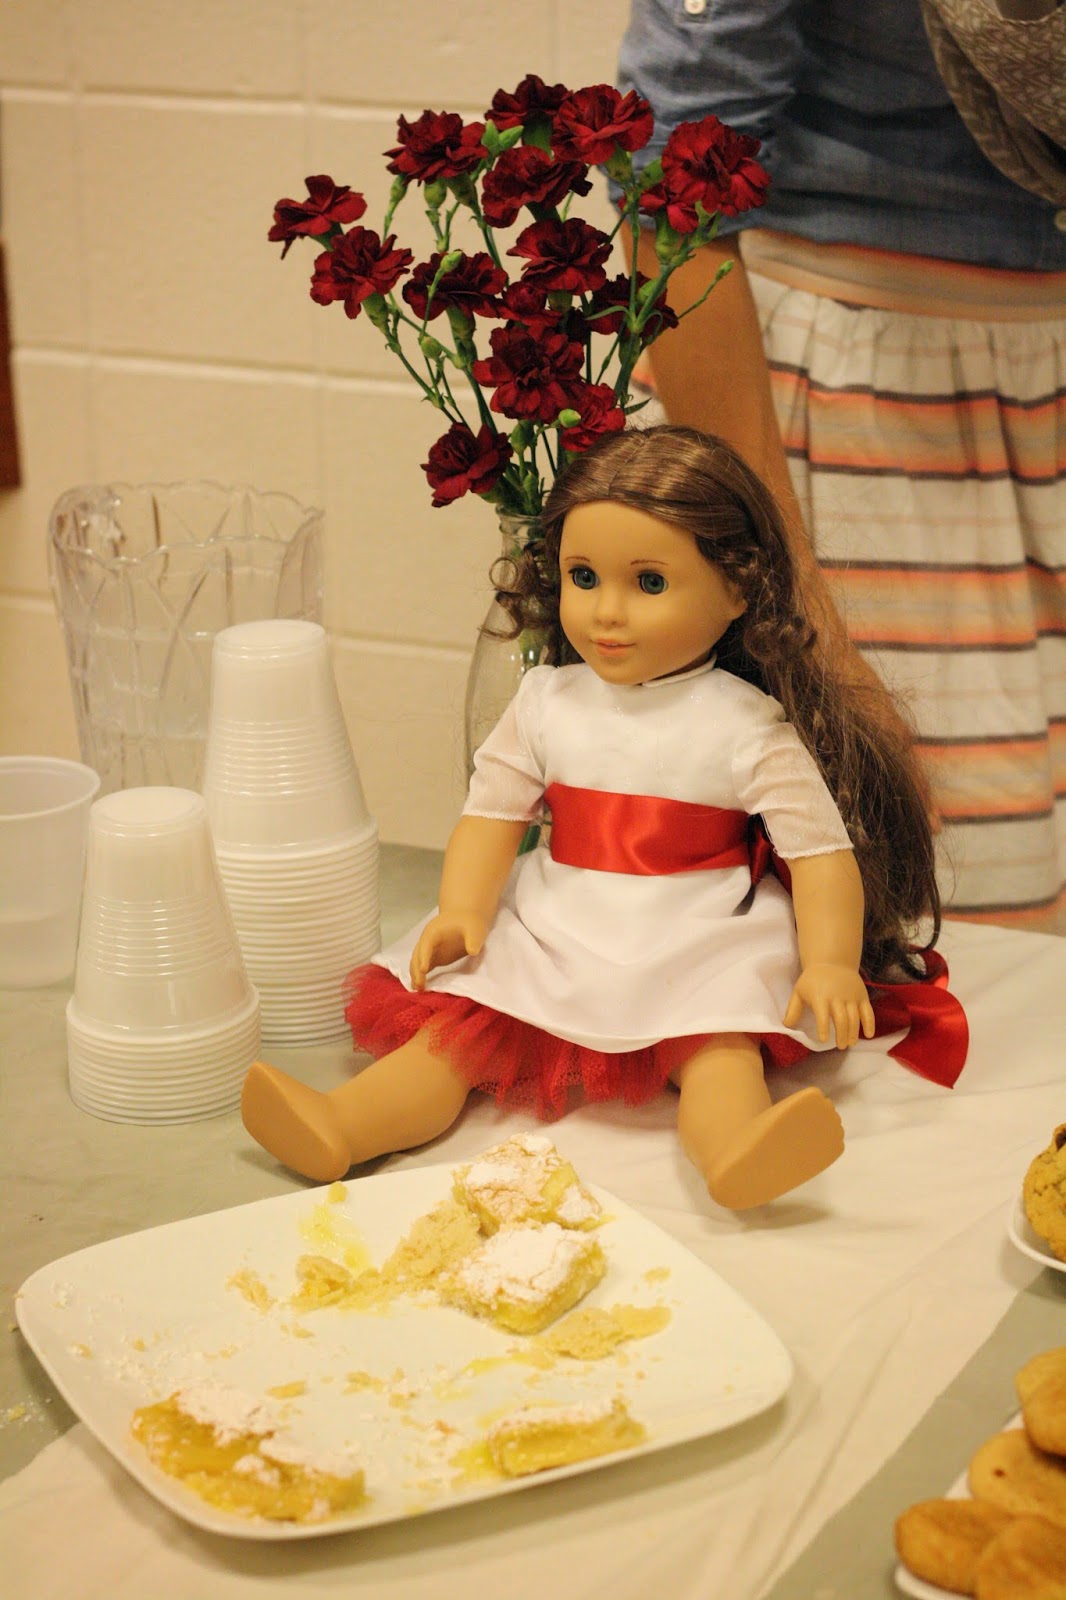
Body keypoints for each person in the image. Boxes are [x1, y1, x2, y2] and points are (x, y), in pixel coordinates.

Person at [242, 426, 964, 1211]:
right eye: (583, 577)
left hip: (698, 932)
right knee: (456, 1036)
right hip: (559, 920)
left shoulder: (749, 727)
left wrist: (827, 962)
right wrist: (462, 910)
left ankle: (737, 1149)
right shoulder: (546, 701)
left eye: (649, 583)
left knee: (717, 1050)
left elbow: (821, 856)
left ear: (739, 590)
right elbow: (490, 816)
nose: (607, 613)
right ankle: (343, 1124)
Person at [616, 0, 1066, 929]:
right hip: (851, 400)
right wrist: (796, 606)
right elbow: (677, 176)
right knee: (927, 926)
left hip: (1038, 386)